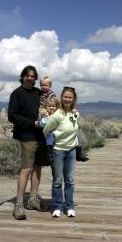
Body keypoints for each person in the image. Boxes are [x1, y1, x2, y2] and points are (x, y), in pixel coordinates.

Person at [8, 65, 49, 220]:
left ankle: (32, 199)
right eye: (28, 76)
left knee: (38, 168)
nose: (30, 78)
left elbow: (48, 108)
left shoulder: (39, 93)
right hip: (27, 136)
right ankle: (19, 204)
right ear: (23, 77)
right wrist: (32, 123)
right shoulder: (16, 94)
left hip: (41, 136)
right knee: (26, 169)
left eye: (33, 76)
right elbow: (12, 116)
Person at [43, 86, 80, 217]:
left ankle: (69, 206)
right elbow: (46, 129)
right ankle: (58, 206)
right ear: (61, 98)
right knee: (58, 180)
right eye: (65, 97)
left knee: (69, 180)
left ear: (74, 99)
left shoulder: (75, 113)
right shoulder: (57, 115)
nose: (67, 99)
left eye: (70, 97)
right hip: (58, 151)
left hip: (71, 151)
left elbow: (75, 129)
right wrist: (53, 140)